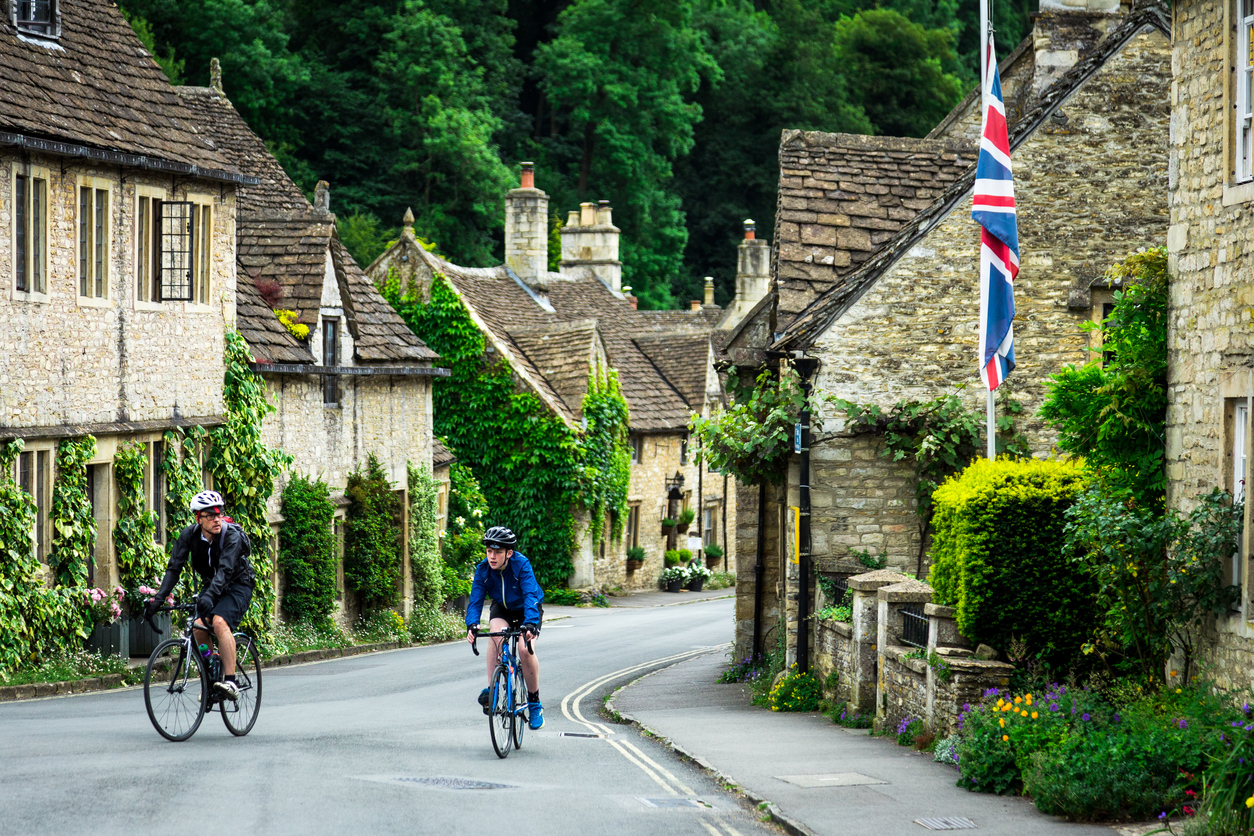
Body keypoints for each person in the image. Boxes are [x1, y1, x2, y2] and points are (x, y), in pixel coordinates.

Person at [144, 490, 255, 701]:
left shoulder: (230, 535)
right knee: (198, 627)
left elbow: (225, 571)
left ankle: (230, 681)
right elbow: (174, 568)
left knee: (220, 622)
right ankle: (212, 671)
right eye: (210, 515)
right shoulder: (190, 535)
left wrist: (210, 597)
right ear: (198, 518)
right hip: (212, 585)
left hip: (238, 585)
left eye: (219, 514)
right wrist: (158, 599)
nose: (216, 519)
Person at [465, 526, 545, 730]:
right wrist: (472, 624)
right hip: (502, 608)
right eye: (489, 551)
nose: (492, 556)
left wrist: (530, 623)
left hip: (528, 609)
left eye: (498, 552)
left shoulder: (521, 565)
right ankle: (493, 691)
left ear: (509, 553)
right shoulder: (483, 569)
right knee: (496, 635)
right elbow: (475, 601)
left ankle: (534, 703)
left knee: (524, 649)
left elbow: (530, 596)